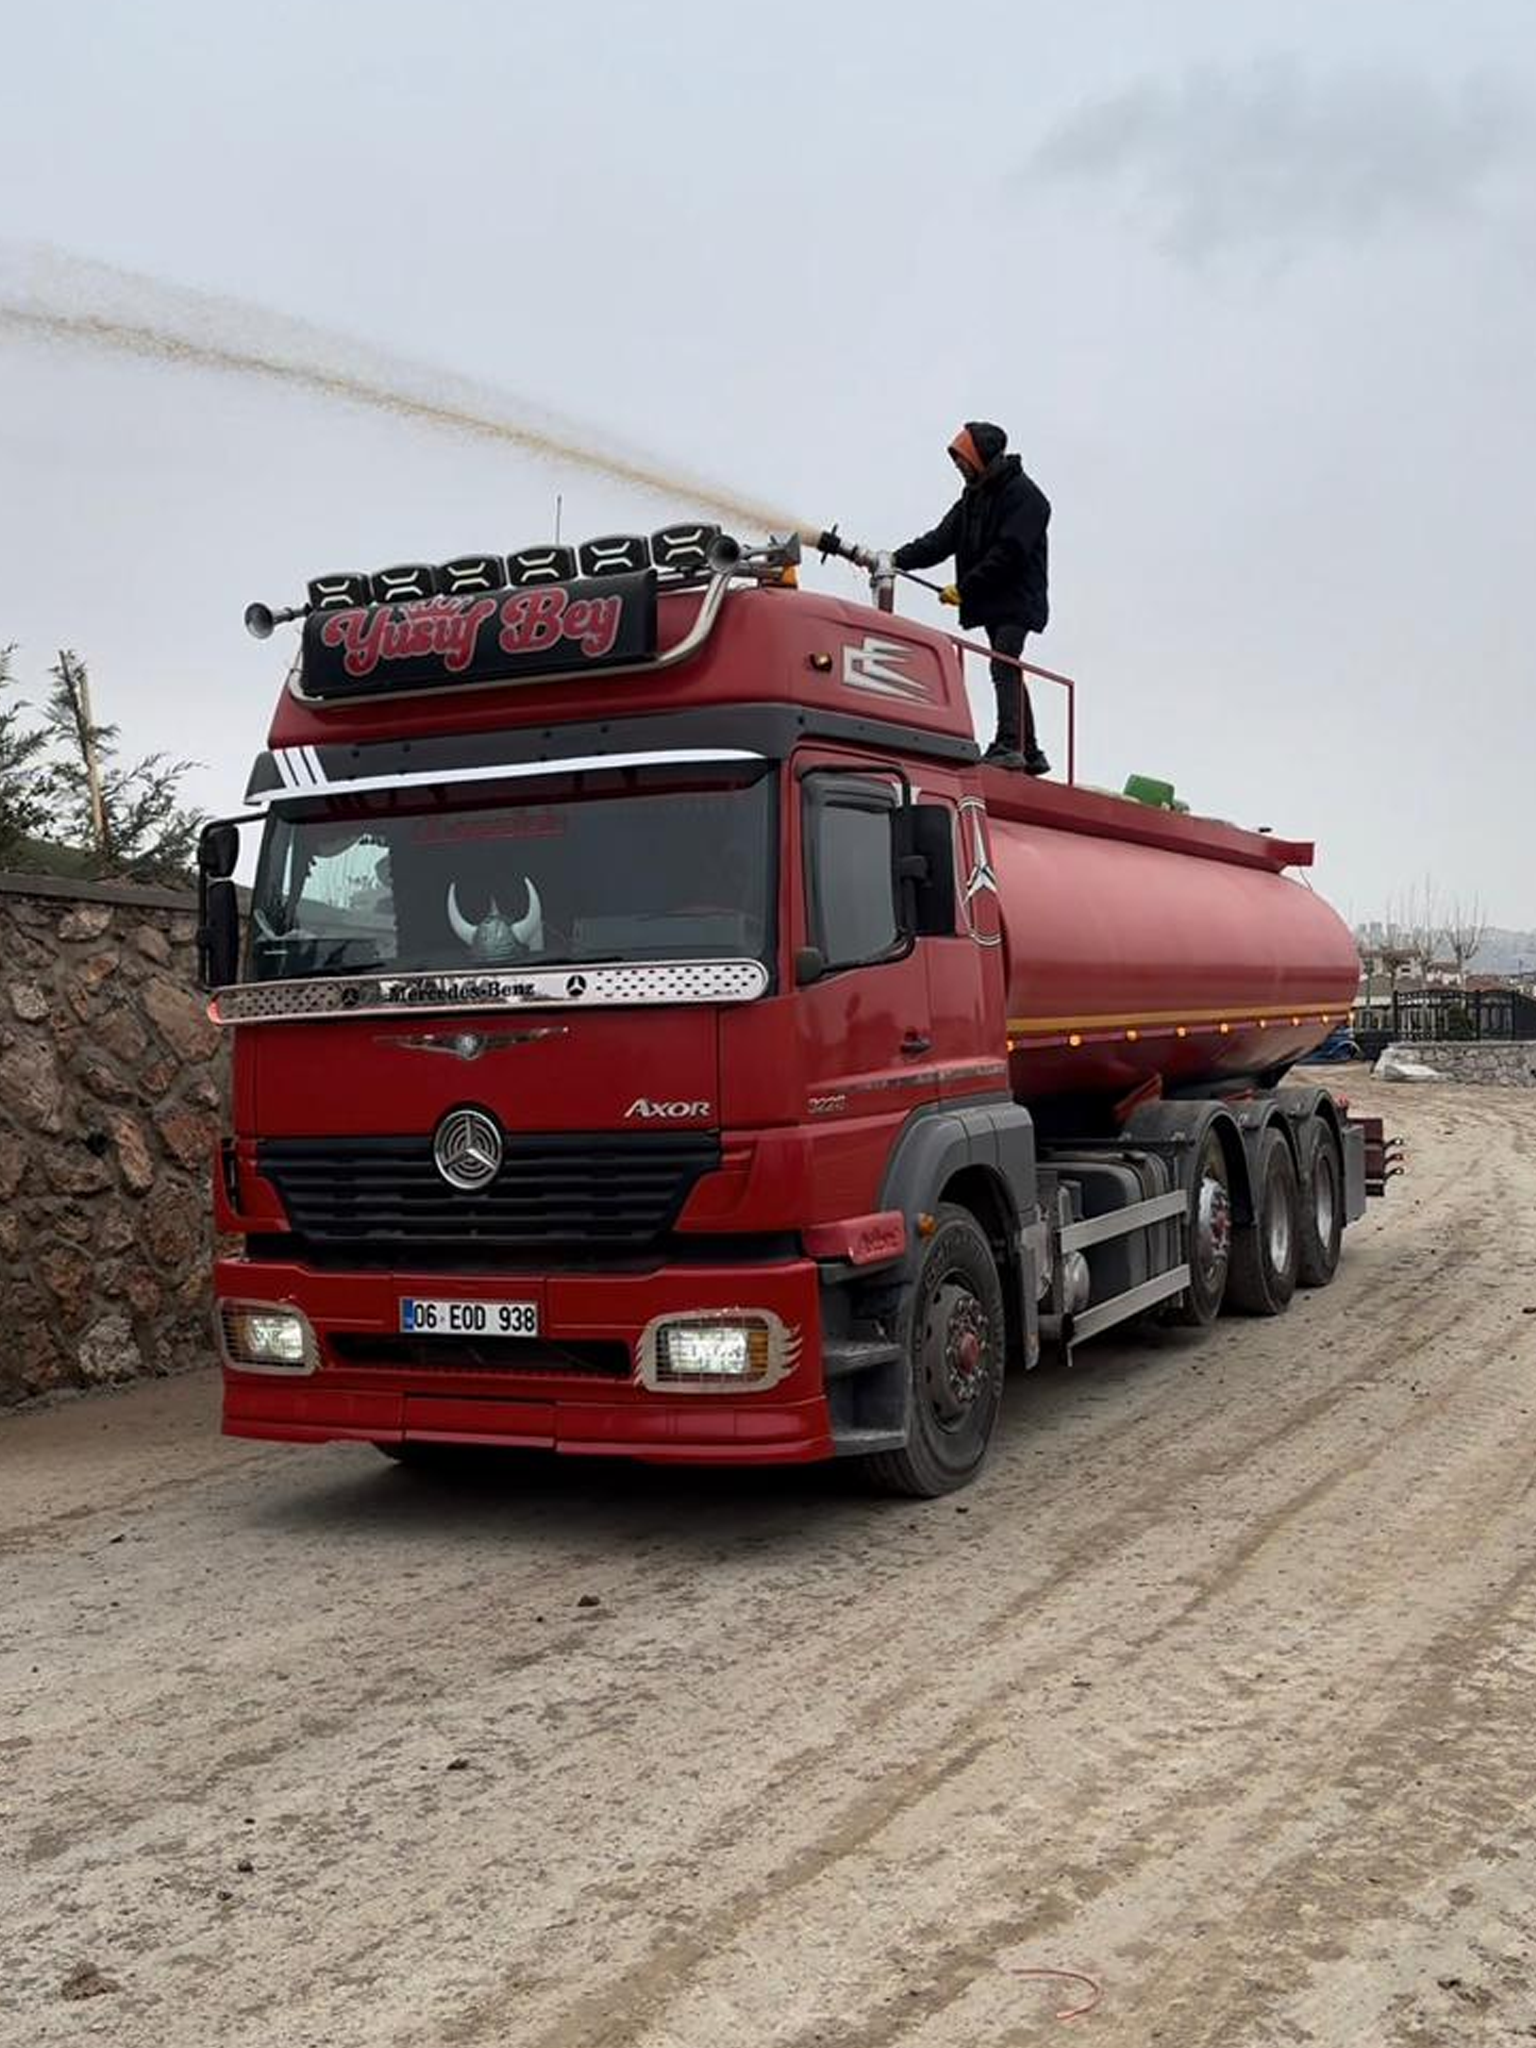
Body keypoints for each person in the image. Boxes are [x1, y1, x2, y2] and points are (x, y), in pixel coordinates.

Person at [891, 422, 1051, 774]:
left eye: (963, 458)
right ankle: (1029, 749)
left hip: (1018, 598)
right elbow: (939, 541)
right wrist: (895, 559)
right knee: (1007, 664)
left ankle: (1010, 745)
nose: (959, 466)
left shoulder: (1026, 497)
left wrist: (965, 588)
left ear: (982, 456)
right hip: (994, 599)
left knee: (1003, 661)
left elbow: (1009, 553)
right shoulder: (972, 499)